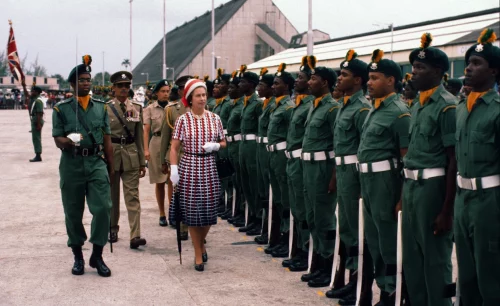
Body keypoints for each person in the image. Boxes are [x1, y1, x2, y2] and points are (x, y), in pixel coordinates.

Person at [403, 32, 457, 306]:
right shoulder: (418, 105)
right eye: (413, 67)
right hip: (412, 188)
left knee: (435, 260)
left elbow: (453, 161)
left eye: (420, 68)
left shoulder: (447, 106)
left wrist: (446, 210)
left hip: (433, 190)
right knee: (413, 261)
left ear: (438, 72)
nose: (414, 73)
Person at [52, 55, 113, 277]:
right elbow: (57, 138)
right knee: (72, 211)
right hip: (72, 163)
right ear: (73, 83)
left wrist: (111, 167)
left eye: (89, 79)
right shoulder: (61, 109)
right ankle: (77, 255)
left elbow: (107, 139)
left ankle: (97, 254)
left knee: (103, 208)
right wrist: (69, 141)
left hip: (96, 163)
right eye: (82, 80)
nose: (87, 83)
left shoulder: (101, 108)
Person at [358, 49, 410, 306]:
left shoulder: (399, 112)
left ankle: (393, 293)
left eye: (375, 77)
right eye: (369, 77)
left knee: (389, 241)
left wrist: (401, 198)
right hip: (368, 183)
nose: (369, 82)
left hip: (386, 183)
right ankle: (383, 289)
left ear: (391, 80)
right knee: (375, 240)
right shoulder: (373, 110)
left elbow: (406, 160)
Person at [455, 28, 500, 306]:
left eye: (476, 63)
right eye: (468, 62)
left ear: (494, 71)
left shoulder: (497, 110)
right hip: (463, 198)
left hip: (490, 202)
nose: (468, 68)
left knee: (491, 274)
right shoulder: (462, 108)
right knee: (467, 274)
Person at [327, 50, 374, 305]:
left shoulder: (362, 108)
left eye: (344, 75)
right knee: (346, 229)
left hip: (356, 177)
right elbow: (340, 148)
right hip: (343, 173)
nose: (339, 79)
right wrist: (335, 176)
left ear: (358, 80)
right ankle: (350, 280)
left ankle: (360, 284)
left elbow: (362, 150)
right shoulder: (344, 106)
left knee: (359, 233)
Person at [169, 78, 227, 272]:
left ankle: (201, 243)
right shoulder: (182, 120)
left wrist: (216, 145)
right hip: (189, 165)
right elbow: (174, 147)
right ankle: (197, 253)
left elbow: (224, 142)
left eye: (204, 95)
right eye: (198, 95)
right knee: (193, 213)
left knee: (209, 211)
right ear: (190, 99)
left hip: (209, 165)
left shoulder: (215, 118)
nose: (202, 98)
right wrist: (174, 169)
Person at [300, 57, 340, 288]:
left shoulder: (332, 108)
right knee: (313, 218)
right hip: (309, 168)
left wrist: (333, 177)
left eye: (313, 79)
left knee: (325, 219)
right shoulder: (314, 106)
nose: (309, 82)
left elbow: (338, 144)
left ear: (324, 83)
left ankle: (328, 266)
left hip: (324, 169)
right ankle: (318, 262)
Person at [107, 71, 147, 249]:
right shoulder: (105, 108)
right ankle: (112, 228)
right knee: (112, 197)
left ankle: (135, 235)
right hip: (112, 156)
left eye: (126, 86)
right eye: (120, 86)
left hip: (130, 155)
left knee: (133, 197)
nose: (124, 89)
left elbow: (138, 137)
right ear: (113, 88)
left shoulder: (137, 108)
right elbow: (103, 136)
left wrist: (141, 162)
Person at [283, 57, 314, 272]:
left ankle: (309, 253)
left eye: (301, 78)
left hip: (307, 164)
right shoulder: (300, 105)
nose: (297, 81)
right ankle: (302, 250)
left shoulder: (312, 107)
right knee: (297, 209)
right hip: (293, 161)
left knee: (306, 211)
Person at [266, 63, 295, 258]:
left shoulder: (288, 107)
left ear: (286, 86)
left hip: (284, 156)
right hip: (273, 155)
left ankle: (287, 238)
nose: (272, 86)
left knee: (286, 200)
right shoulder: (276, 106)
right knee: (278, 199)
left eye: (277, 83)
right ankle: (281, 236)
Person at [160, 75, 192, 240]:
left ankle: (196, 227)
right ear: (180, 91)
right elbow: (165, 138)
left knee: (196, 194)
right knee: (180, 193)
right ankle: (183, 227)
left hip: (197, 156)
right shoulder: (172, 109)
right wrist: (163, 162)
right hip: (178, 156)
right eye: (184, 88)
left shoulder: (203, 107)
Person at [237, 65, 262, 234]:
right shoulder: (245, 102)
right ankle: (252, 216)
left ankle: (258, 219)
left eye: (243, 82)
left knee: (254, 185)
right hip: (243, 146)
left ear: (252, 85)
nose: (240, 84)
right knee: (245, 183)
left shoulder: (257, 103)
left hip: (253, 147)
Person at [144, 80, 170, 226]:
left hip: (171, 145)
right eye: (163, 91)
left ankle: (173, 211)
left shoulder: (174, 107)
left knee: (172, 179)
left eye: (167, 91)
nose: (166, 94)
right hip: (157, 143)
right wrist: (146, 150)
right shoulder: (149, 109)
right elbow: (146, 131)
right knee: (159, 181)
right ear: (157, 93)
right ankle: (162, 213)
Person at [255, 68, 276, 245]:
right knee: (261, 190)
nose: (258, 88)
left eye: (262, 85)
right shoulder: (266, 104)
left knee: (273, 195)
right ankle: (264, 227)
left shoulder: (278, 105)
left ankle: (275, 233)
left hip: (273, 152)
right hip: (261, 149)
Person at [212, 69, 234, 218]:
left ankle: (229, 203)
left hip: (226, 142)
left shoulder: (229, 103)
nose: (218, 86)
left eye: (221, 84)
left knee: (227, 174)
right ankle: (223, 202)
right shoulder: (217, 104)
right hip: (217, 143)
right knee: (220, 173)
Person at [226, 71, 245, 227]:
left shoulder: (245, 105)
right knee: (233, 180)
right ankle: (236, 209)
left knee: (244, 183)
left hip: (243, 145)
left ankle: (247, 214)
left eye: (235, 86)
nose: (232, 89)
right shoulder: (234, 105)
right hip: (232, 144)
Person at [29, 85, 44, 162]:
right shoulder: (35, 99)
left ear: (37, 92)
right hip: (35, 119)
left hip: (37, 120)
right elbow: (28, 96)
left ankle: (38, 155)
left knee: (36, 138)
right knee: (35, 138)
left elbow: (40, 113)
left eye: (33, 91)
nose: (32, 92)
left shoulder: (38, 101)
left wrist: (38, 124)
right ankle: (37, 154)